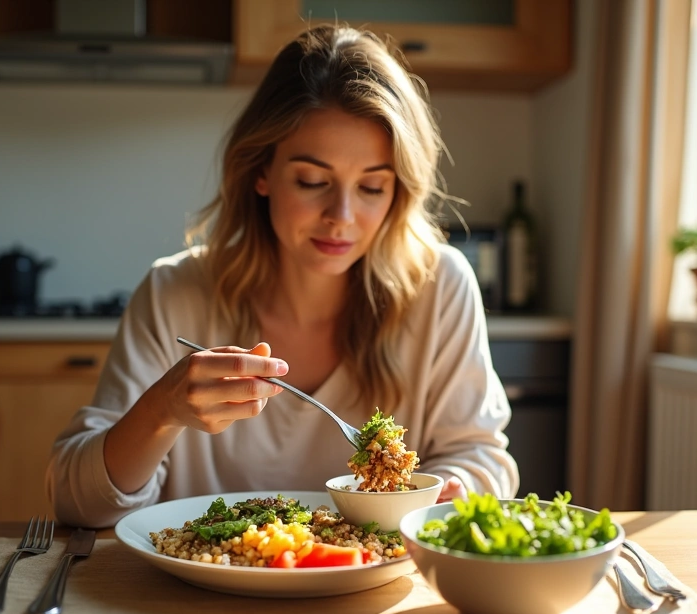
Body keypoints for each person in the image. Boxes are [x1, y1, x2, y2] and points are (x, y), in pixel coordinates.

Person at [47, 24, 519, 529]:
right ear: (261, 172)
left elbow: (480, 456)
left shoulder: (440, 286)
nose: (341, 217)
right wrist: (160, 411)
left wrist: (454, 488)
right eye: (312, 181)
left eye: (372, 188)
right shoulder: (173, 293)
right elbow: (77, 503)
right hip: (200, 580)